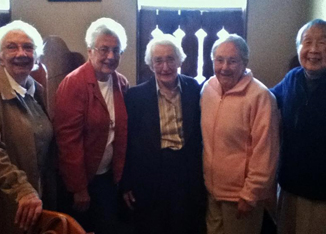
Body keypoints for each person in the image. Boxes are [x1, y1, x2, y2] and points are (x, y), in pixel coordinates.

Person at [0, 20, 56, 234]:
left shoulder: (34, 89)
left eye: (28, 47)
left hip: (36, 201)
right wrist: (22, 190)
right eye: (11, 47)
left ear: (36, 55)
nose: (21, 53)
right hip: (6, 203)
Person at [122, 34, 205, 234]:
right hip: (150, 174)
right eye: (158, 61)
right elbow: (128, 142)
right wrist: (126, 183)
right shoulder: (135, 97)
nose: (165, 67)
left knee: (185, 225)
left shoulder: (194, 89)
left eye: (170, 59)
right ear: (151, 65)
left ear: (179, 61)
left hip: (185, 172)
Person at [54, 17, 129, 234]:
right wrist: (79, 189)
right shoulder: (74, 84)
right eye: (104, 49)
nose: (110, 56)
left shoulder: (120, 83)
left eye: (116, 50)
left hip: (107, 177)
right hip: (82, 181)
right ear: (90, 51)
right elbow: (68, 141)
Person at [201, 34, 279, 234]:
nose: (224, 67)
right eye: (219, 60)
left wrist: (251, 193)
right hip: (211, 192)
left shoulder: (260, 96)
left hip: (241, 197)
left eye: (232, 61)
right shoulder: (207, 89)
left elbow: (266, 150)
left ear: (244, 62)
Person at [270, 19, 326, 234]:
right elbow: (267, 99)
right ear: (298, 48)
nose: (313, 50)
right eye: (307, 42)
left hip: (321, 193)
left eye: (322, 43)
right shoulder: (293, 78)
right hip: (290, 185)